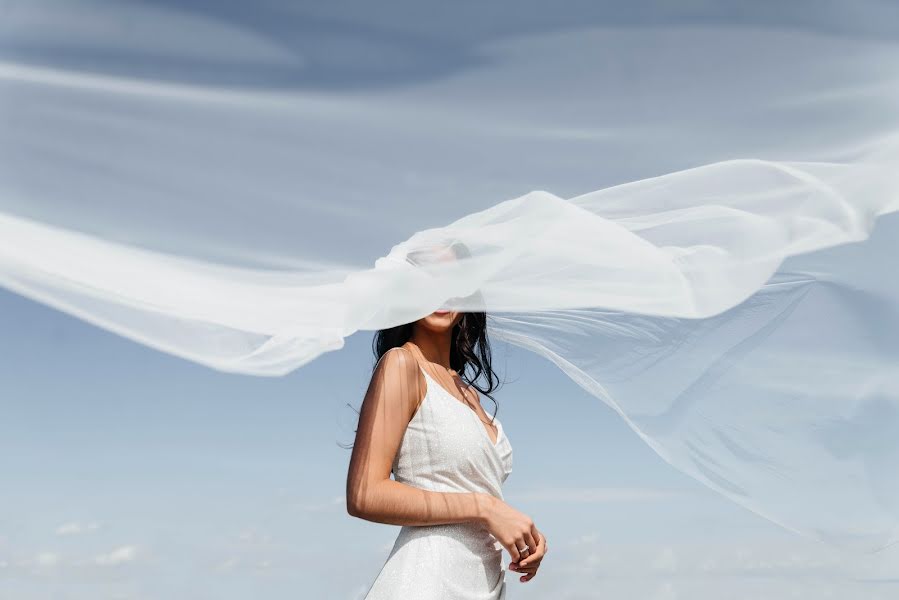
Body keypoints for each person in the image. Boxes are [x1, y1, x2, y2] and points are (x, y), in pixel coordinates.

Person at [345, 267, 548, 598]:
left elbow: (478, 491)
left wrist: (524, 538)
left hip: (483, 583)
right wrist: (487, 509)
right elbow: (365, 494)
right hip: (427, 581)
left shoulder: (468, 393)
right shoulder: (401, 365)